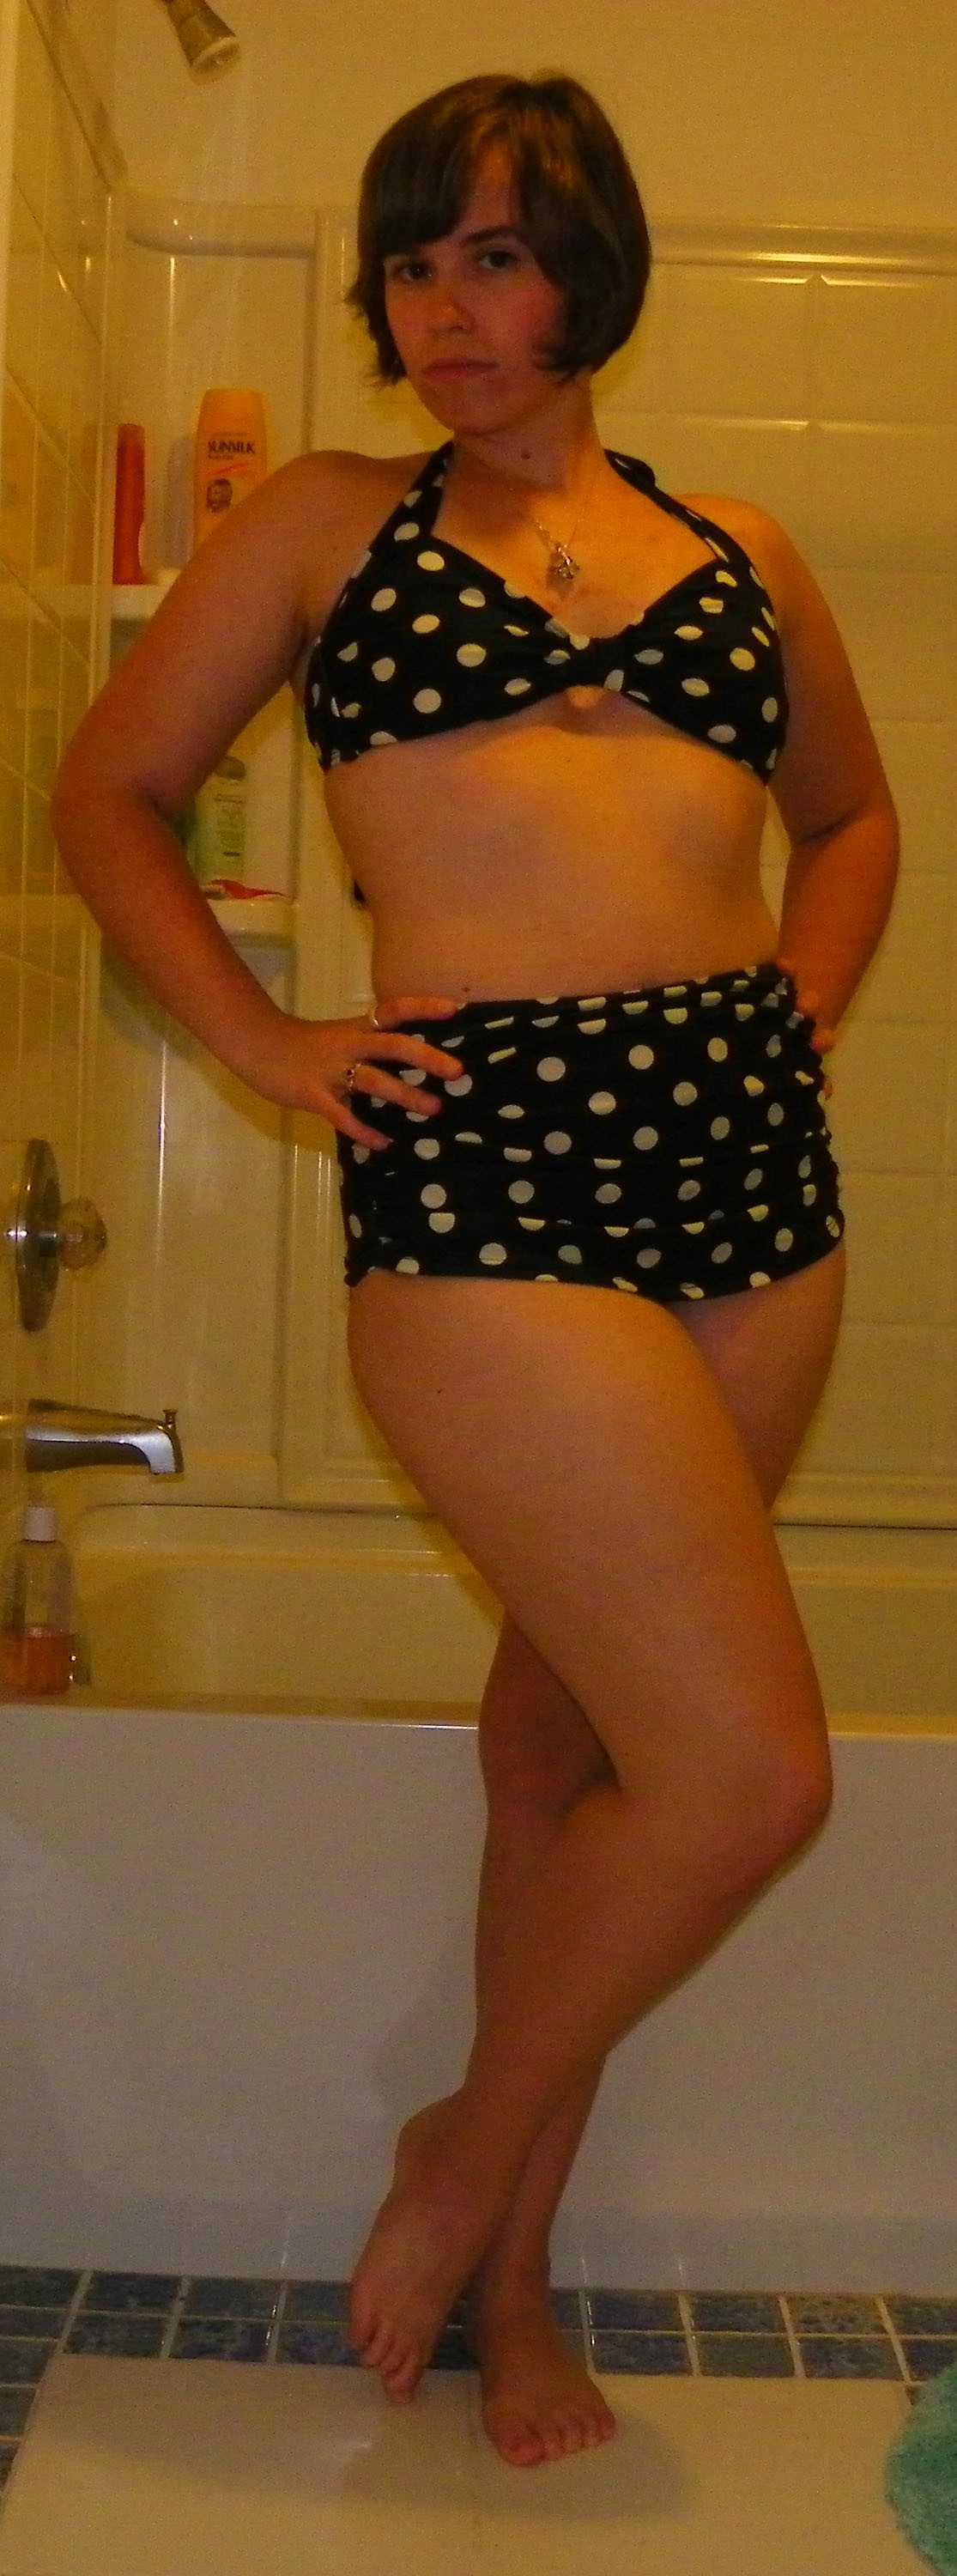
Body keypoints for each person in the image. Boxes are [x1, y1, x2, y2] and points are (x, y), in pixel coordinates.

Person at [52, 70, 899, 2470]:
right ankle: (456, 2145)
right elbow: (108, 791)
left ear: (588, 273)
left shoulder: (734, 544)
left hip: (742, 1170)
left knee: (577, 1748)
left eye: (497, 256)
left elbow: (850, 816)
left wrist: (798, 1005)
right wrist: (268, 1044)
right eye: (416, 263)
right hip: (485, 1154)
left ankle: (517, 2278)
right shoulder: (331, 522)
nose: (447, 307)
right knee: (747, 1774)